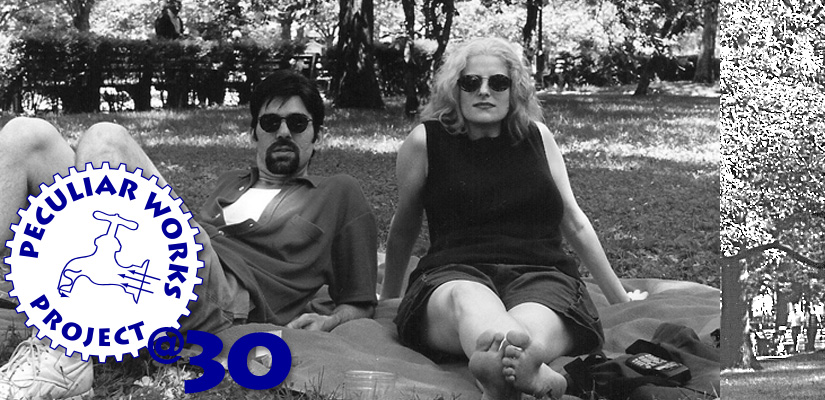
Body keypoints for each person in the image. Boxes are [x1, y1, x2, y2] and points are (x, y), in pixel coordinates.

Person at [0, 69, 377, 399]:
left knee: (106, 141)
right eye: (270, 123)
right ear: (253, 134)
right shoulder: (232, 183)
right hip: (172, 269)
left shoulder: (339, 192)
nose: (282, 132)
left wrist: (329, 321)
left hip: (229, 297)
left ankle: (69, 355)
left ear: (317, 136)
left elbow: (360, 299)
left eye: (297, 124)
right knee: (26, 135)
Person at [381, 37, 631, 400]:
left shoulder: (538, 137)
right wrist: (389, 296)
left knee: (536, 316)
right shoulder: (425, 141)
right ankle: (523, 369)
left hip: (541, 273)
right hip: (453, 273)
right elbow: (405, 224)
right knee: (469, 299)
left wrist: (621, 299)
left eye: (498, 82)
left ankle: (504, 370)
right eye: (471, 82)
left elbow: (573, 221)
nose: (485, 91)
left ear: (515, 90)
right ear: (455, 89)